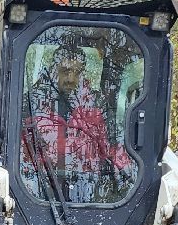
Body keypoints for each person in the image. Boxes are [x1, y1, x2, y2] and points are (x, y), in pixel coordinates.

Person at [20, 43, 135, 205]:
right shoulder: (32, 103)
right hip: (40, 189)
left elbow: (112, 145)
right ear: (54, 70)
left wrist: (125, 175)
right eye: (66, 71)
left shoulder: (96, 104)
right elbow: (21, 150)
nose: (71, 79)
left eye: (76, 72)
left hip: (89, 192)